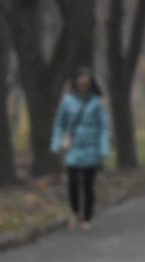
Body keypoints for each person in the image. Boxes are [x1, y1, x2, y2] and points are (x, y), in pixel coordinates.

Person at [50, 66, 110, 230]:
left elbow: (103, 127)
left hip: (91, 148)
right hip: (73, 148)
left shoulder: (97, 102)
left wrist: (103, 148)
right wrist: (56, 144)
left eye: (86, 83)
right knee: (74, 182)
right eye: (81, 82)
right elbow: (59, 124)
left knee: (89, 184)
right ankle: (75, 211)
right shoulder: (67, 101)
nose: (83, 86)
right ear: (76, 83)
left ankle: (87, 217)